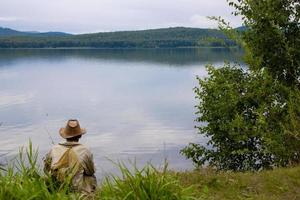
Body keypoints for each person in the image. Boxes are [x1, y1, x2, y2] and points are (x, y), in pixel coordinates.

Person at [44, 119, 97, 194]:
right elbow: (90, 171)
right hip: (76, 189)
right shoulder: (85, 150)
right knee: (90, 177)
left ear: (65, 136)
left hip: (55, 187)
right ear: (80, 136)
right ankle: (88, 194)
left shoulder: (54, 149)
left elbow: (46, 169)